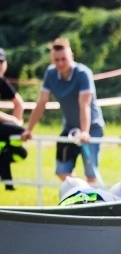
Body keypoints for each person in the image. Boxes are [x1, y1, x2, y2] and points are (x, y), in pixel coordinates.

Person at [21, 38, 105, 185]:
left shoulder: (83, 73)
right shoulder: (50, 73)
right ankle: (80, 191)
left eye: (63, 59)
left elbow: (84, 105)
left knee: (91, 174)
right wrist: (29, 129)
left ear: (71, 56)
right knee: (61, 171)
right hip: (70, 128)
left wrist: (85, 132)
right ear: (52, 60)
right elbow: (42, 102)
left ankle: (90, 196)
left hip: (91, 128)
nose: (60, 63)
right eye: (56, 60)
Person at [0, 48, 26, 190]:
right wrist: (13, 121)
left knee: (21, 153)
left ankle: (8, 185)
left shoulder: (2, 81)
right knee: (21, 131)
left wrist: (17, 119)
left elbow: (19, 103)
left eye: (1, 62)